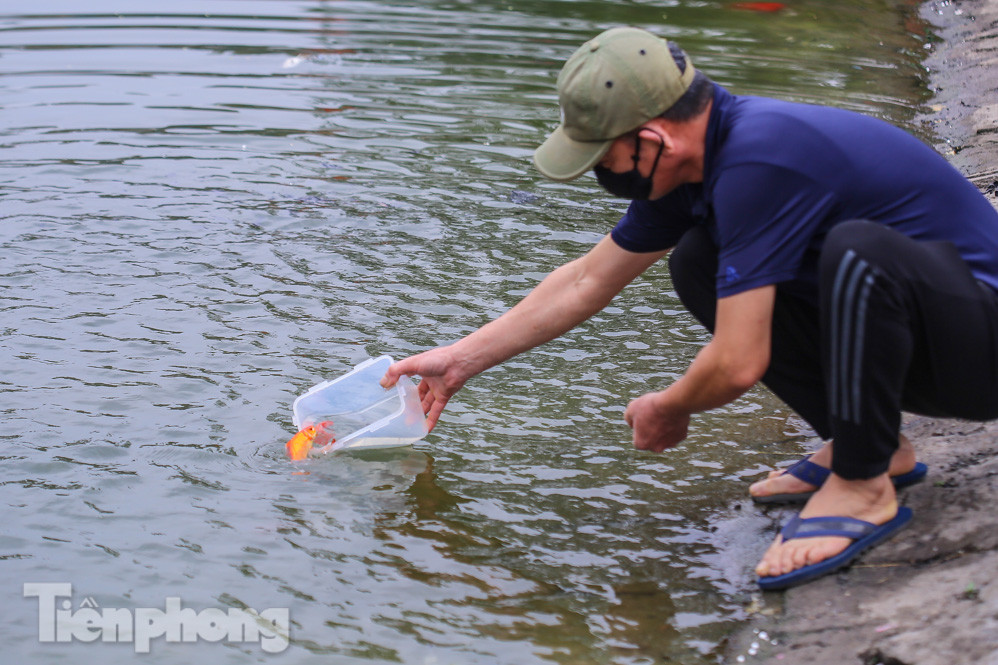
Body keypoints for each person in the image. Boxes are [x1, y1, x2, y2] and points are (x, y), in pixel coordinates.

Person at [380, 26, 998, 589]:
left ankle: (862, 484)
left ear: (652, 140)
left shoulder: (760, 161)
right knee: (697, 258)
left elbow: (738, 361)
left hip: (981, 352)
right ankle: (871, 445)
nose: (601, 175)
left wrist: (669, 406)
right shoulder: (693, 167)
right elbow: (586, 280)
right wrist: (460, 361)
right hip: (923, 342)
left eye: (603, 161)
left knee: (858, 252)